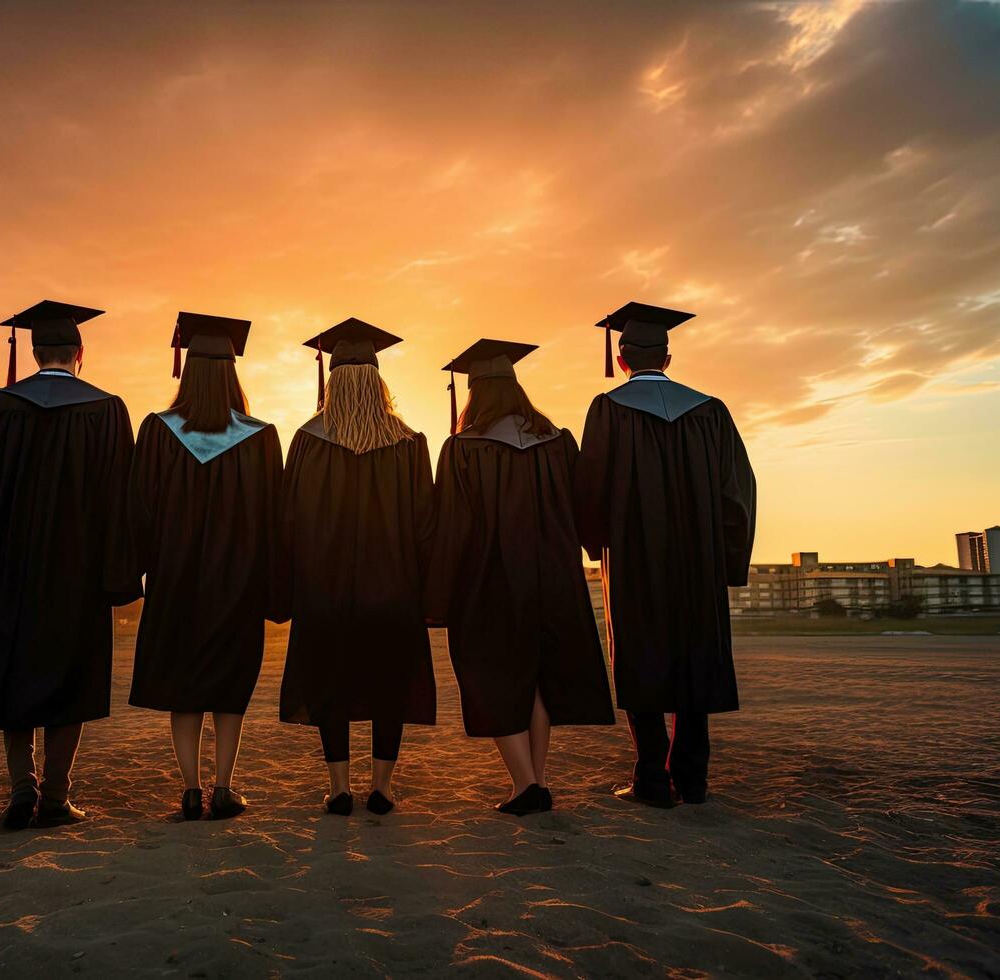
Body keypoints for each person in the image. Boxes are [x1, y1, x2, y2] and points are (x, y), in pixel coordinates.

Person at [0, 300, 140, 830]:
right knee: (69, 677)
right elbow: (123, 499)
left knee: (16, 671)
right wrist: (119, 571)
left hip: (6, 569)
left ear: (32, 350)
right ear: (80, 352)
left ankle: (20, 791)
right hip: (77, 572)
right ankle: (55, 796)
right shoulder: (107, 409)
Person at [576, 302, 756, 808]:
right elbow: (737, 492)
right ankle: (693, 780)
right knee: (694, 660)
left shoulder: (608, 409)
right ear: (668, 357)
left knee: (642, 657)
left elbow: (590, 488)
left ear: (622, 356)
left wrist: (597, 544)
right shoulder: (711, 411)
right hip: (698, 563)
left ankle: (652, 779)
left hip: (635, 561)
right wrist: (726, 557)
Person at [426, 340, 614, 817]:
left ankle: (525, 784)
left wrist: (440, 595)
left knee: (492, 676)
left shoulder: (463, 449)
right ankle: (536, 780)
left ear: (475, 394)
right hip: (553, 578)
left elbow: (451, 525)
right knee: (536, 677)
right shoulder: (558, 441)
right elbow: (582, 509)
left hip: (488, 580)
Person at [277, 317, 437, 817]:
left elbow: (289, 518)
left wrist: (295, 582)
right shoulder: (409, 443)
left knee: (332, 684)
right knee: (390, 684)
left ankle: (340, 788)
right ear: (378, 380)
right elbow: (426, 527)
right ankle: (383, 789)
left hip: (324, 591)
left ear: (332, 382)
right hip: (393, 591)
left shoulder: (307, 440)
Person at [128, 312, 283, 821]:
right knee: (228, 685)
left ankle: (190, 788)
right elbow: (273, 519)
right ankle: (224, 786)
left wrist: (146, 570)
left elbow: (141, 511)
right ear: (232, 374)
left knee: (183, 681)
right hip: (239, 583)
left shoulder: (156, 431)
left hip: (176, 580)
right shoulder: (261, 438)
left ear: (186, 370)